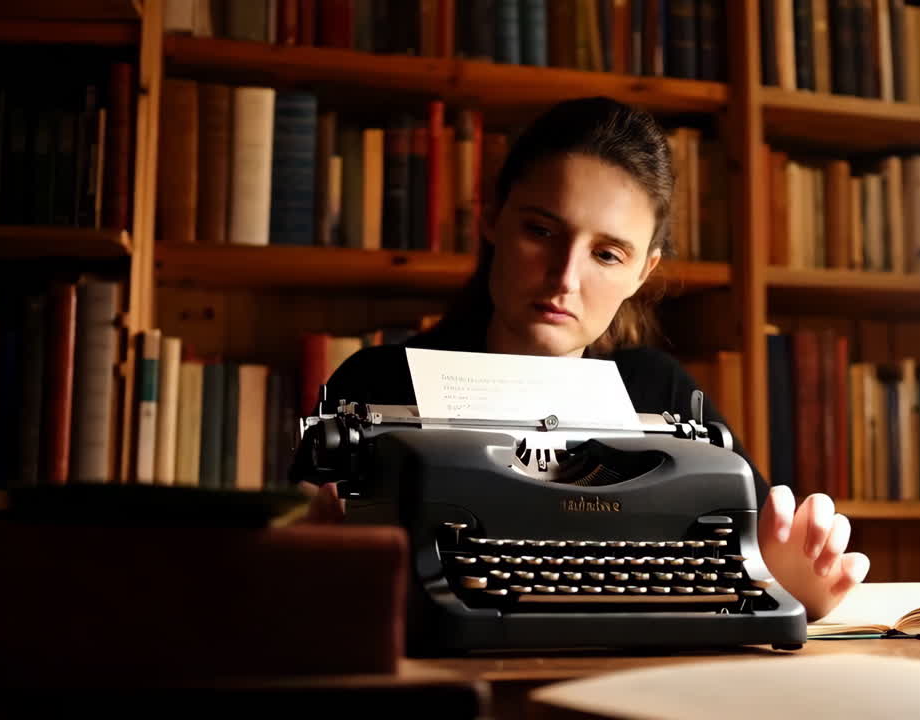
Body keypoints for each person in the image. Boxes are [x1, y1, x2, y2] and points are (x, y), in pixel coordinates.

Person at [299, 96, 869, 622]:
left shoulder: (662, 394)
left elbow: (768, 561)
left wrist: (787, 579)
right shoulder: (374, 385)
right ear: (491, 218)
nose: (565, 278)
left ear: (644, 271)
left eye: (606, 253)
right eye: (541, 230)